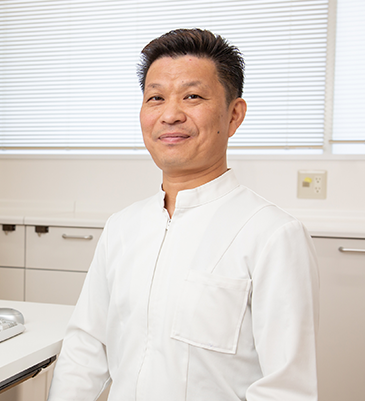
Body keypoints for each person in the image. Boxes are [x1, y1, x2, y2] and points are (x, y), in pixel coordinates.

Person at [47, 29, 319, 401]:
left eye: (192, 96)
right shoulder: (122, 227)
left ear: (234, 115)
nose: (171, 115)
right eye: (156, 98)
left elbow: (286, 389)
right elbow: (86, 349)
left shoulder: (273, 235)